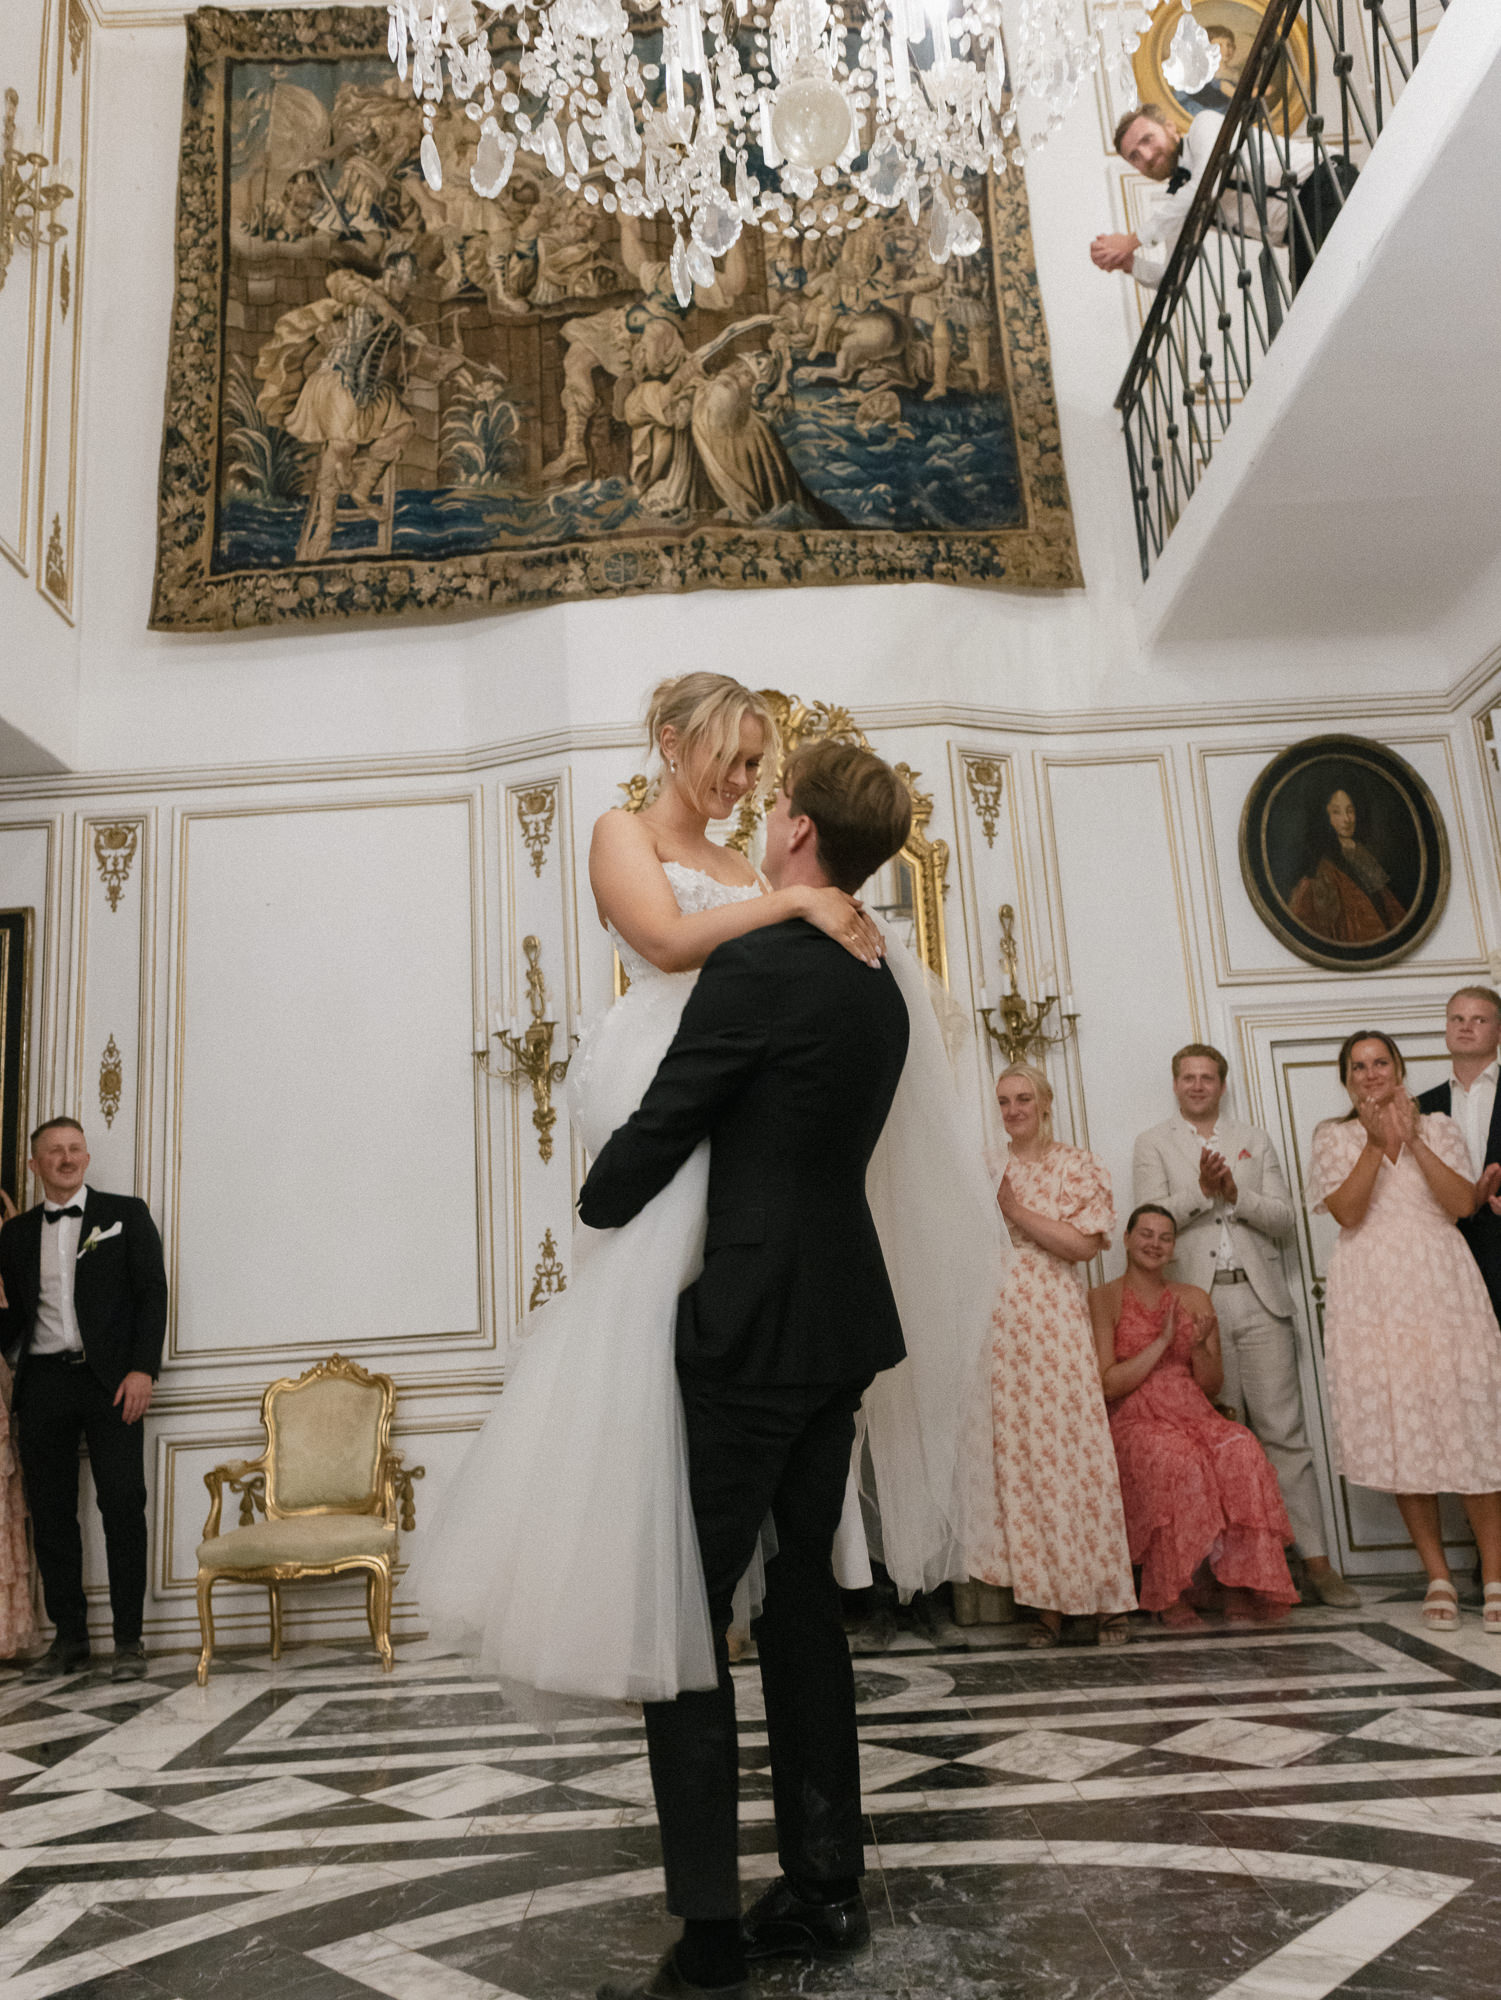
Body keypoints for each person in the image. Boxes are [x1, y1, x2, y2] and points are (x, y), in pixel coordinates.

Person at [410, 673, 1000, 1720]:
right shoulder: (622, 832)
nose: (742, 781)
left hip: (739, 1123)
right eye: (730, 757)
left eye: (756, 767)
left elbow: (775, 988)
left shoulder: (744, 868)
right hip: (669, 1080)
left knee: (750, 1518)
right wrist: (799, 900)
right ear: (671, 741)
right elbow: (666, 943)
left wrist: (798, 909)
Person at [577, 737, 934, 2000]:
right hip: (840, 1322)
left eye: (777, 802)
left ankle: (711, 1930)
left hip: (744, 1327)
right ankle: (825, 1884)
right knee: (800, 1605)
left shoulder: (759, 964)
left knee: (685, 1607)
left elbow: (672, 1118)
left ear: (797, 833)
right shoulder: (880, 979)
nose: (767, 812)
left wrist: (597, 1197)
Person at [1133, 1042, 1357, 1607]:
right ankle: (1237, 1574)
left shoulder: (1253, 1139)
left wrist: (1237, 1194)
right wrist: (1202, 1192)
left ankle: (1316, 1563)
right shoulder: (1153, 1143)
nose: (1197, 1086)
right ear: (1175, 1083)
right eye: (1188, 1077)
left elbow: (1284, 1220)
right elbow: (1149, 1222)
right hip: (1196, 1307)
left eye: (1207, 1077)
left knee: (1285, 1435)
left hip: (1260, 1303)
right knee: (1217, 1437)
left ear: (1222, 1084)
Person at [1307, 1031, 1501, 1635]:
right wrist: (1374, 1144)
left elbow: (1461, 1205)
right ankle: (1437, 1575)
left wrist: (1412, 1138)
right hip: (1374, 1298)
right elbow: (1348, 1212)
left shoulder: (1440, 1126)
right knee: (1402, 1428)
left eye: (1380, 1062)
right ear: (1346, 1079)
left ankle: (1496, 1579)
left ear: (1398, 1068)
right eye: (1358, 1066)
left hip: (1442, 1287)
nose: (1370, 1073)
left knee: (1472, 1427)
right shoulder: (1331, 1136)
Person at [966, 1062, 1136, 1647]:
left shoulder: (1077, 1165)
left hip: (1056, 1322)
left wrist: (1014, 1211)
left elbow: (1083, 1246)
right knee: (1022, 1459)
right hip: (1001, 1326)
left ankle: (1105, 1598)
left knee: (1075, 1452)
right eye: (1004, 1101)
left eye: (1023, 1099)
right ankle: (1045, 1604)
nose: (1013, 1110)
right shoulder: (987, 1166)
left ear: (1045, 1103)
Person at [0, 1119, 168, 1681]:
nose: (66, 1158)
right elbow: (12, 1321)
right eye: (54, 1152)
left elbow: (152, 1294)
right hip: (44, 1384)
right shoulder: (16, 1235)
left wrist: (143, 1369)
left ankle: (129, 1642)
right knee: (51, 1516)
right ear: (35, 1165)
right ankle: (69, 1640)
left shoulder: (126, 1214)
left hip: (112, 1383)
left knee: (123, 1506)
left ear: (87, 1157)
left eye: (75, 1149)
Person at [1092, 1205, 1299, 1627]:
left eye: (1164, 1237)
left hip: (1193, 1410)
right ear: (1127, 1239)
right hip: (1135, 1417)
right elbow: (1109, 1384)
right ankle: (1173, 1591)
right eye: (1146, 1234)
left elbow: (1212, 1385)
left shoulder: (1194, 1298)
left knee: (1241, 1448)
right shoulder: (1104, 1298)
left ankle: (1235, 1582)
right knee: (1178, 1459)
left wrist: (1201, 1346)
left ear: (1173, 1248)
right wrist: (1163, 1341)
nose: (1154, 1244)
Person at [1091, 104, 1348, 303]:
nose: (1146, 155)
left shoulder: (1204, 125)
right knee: (1314, 309)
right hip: (1299, 233)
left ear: (1170, 128)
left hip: (1325, 183)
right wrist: (1128, 263)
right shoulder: (1179, 204)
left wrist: (1132, 240)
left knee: (1319, 303)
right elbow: (1170, 277)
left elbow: (1206, 184)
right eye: (1134, 156)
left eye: (1147, 139)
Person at [1416, 987, 1501, 1321]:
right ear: (1446, 1028)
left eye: (1479, 1019)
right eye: (1457, 1019)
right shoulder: (1419, 1108)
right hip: (1446, 1256)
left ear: (1499, 1031)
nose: (1466, 1026)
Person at [1287, 783, 1406, 945]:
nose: (1347, 819)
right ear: (1324, 816)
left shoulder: (1361, 853)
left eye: (1350, 811)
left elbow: (1388, 908)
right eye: (1336, 812)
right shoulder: (1322, 868)